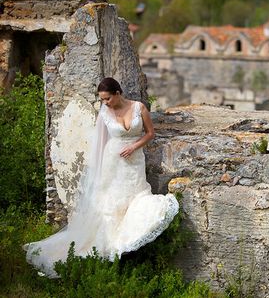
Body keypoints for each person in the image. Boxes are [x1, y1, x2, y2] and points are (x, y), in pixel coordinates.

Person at [24, 77, 179, 277]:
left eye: (107, 98)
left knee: (136, 196)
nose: (105, 103)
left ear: (117, 93)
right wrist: (98, 172)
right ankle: (109, 246)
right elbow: (100, 144)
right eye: (102, 100)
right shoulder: (105, 113)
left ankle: (128, 243)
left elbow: (150, 133)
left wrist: (134, 146)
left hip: (134, 161)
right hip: (112, 161)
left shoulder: (139, 107)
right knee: (111, 202)